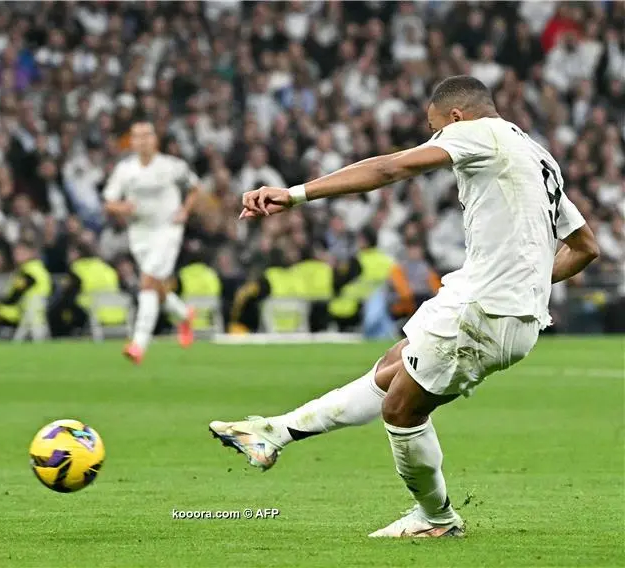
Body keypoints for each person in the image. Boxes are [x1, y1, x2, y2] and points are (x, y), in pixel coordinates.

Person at [209, 76, 599, 538]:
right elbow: (585, 247)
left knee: (402, 411)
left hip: (486, 308)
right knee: (393, 365)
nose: (436, 139)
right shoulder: (536, 154)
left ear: (456, 117)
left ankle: (437, 518)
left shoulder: (477, 132)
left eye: (435, 129)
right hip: (485, 299)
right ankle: (275, 432)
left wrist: (295, 194)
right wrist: (530, 282)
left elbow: (389, 169)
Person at [103, 118, 200, 364]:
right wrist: (122, 207)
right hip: (140, 233)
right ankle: (184, 314)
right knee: (155, 285)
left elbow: (195, 187)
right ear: (132, 141)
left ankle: (138, 344)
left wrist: (185, 211)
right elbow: (109, 201)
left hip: (167, 230)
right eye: (137, 136)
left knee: (147, 281)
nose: (143, 140)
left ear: (155, 139)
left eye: (147, 135)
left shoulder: (172, 166)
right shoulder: (125, 170)